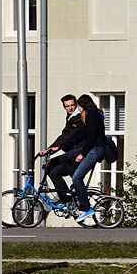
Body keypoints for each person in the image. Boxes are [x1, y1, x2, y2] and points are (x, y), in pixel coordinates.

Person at [50, 94, 106, 222]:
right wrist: (59, 147)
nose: (75, 109)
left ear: (81, 105)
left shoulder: (91, 114)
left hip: (95, 150)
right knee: (64, 158)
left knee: (76, 178)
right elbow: (80, 134)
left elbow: (91, 136)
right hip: (90, 149)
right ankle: (75, 189)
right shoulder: (88, 115)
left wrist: (82, 154)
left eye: (76, 106)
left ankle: (86, 208)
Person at [39, 94, 85, 203]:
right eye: (67, 106)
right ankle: (67, 197)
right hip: (71, 154)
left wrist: (57, 148)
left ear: (76, 104)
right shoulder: (71, 117)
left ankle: (70, 197)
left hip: (78, 154)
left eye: (72, 105)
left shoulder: (79, 118)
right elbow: (63, 135)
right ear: (64, 107)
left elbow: (68, 136)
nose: (70, 108)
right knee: (50, 167)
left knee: (54, 172)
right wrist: (49, 149)